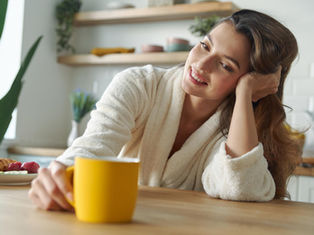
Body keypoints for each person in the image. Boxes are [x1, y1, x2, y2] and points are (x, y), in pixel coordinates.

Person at [29, 9, 301, 211]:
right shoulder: (139, 84)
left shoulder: (241, 127)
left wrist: (243, 96)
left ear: (253, 83)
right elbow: (92, 147)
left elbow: (242, 188)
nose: (201, 64)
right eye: (204, 45)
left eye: (226, 65)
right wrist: (60, 174)